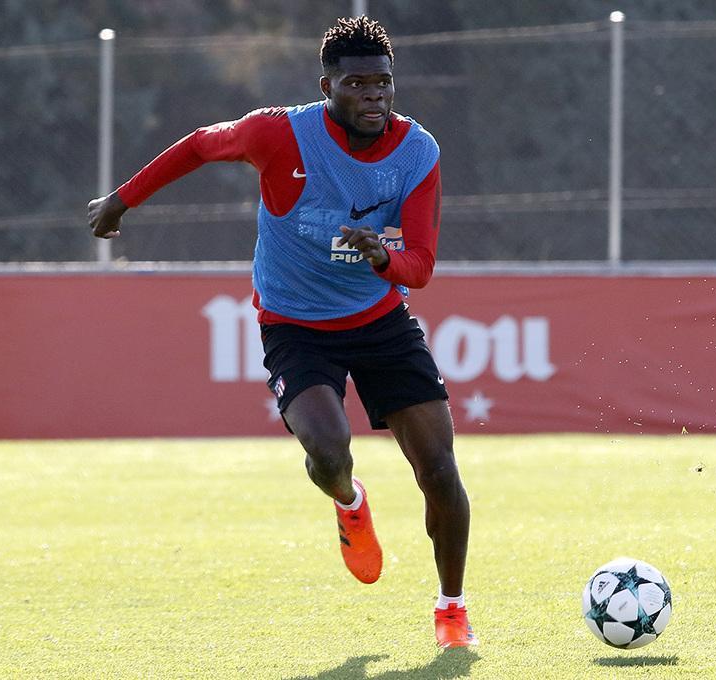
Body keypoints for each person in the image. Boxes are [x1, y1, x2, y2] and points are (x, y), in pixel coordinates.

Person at [87, 16, 476, 649]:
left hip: (381, 322)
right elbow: (198, 145)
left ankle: (452, 609)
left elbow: (422, 267)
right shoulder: (278, 133)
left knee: (438, 468)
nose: (374, 95)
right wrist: (122, 200)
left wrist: (383, 258)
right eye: (357, 84)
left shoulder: (417, 152)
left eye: (383, 83)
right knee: (329, 455)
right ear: (327, 87)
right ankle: (349, 503)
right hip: (295, 326)